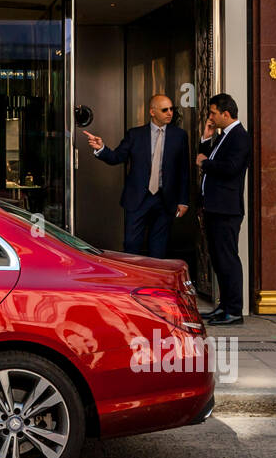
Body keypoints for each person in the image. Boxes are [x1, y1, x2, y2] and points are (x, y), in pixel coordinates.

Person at [82, 94, 189, 258]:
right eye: (164, 110)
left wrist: (183, 200)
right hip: (138, 198)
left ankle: (153, 282)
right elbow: (117, 157)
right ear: (152, 112)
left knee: (158, 249)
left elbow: (183, 170)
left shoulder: (179, 136)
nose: (170, 113)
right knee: (131, 244)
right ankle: (132, 281)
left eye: (171, 109)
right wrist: (101, 148)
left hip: (165, 199)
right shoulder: (135, 134)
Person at [197, 93, 250, 326]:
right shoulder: (223, 136)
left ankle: (234, 310)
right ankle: (224, 306)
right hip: (214, 208)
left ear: (225, 114)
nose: (211, 117)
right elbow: (207, 157)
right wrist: (205, 139)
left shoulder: (239, 137)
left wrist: (204, 163)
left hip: (227, 210)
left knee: (228, 259)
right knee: (218, 259)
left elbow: (229, 168)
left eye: (213, 113)